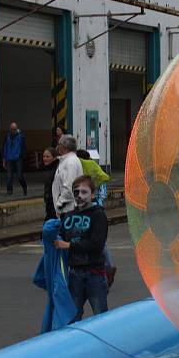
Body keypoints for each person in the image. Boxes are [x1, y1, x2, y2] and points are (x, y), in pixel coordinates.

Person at [53, 175, 109, 321]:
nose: (80, 196)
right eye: (76, 192)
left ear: (92, 194)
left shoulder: (98, 215)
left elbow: (96, 244)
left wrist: (69, 245)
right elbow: (61, 235)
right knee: (72, 316)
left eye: (84, 192)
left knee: (100, 315)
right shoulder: (69, 216)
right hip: (75, 273)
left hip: (94, 273)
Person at [76, 149, 116, 288]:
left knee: (95, 240)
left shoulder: (81, 177)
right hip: (98, 208)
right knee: (98, 240)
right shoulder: (97, 174)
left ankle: (107, 266)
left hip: (92, 210)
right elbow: (103, 192)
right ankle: (108, 266)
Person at [52, 135, 83, 218]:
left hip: (68, 210)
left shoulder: (70, 163)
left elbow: (69, 188)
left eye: (59, 144)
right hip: (68, 209)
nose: (57, 147)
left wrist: (59, 205)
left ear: (64, 147)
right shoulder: (68, 161)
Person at [2, 122, 28, 196]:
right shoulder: (7, 136)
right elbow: (5, 148)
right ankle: (9, 191)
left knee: (19, 176)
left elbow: (23, 147)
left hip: (18, 159)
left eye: (14, 129)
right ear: (10, 129)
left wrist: (23, 157)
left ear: (17, 129)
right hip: (9, 159)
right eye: (12, 129)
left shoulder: (20, 136)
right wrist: (4, 158)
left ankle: (24, 187)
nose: (13, 130)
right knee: (9, 176)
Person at [42, 148, 59, 221]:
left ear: (54, 157)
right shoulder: (49, 169)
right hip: (49, 204)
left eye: (47, 157)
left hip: (54, 205)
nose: (45, 158)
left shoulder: (57, 170)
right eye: (44, 156)